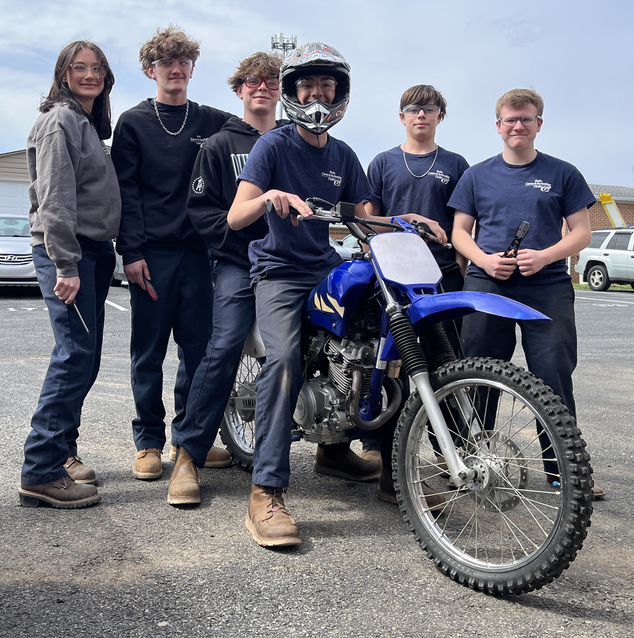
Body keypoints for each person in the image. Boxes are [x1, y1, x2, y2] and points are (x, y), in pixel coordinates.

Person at [227, 43, 440, 546]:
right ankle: (265, 492)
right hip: (279, 271)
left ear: (339, 93)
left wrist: (408, 220)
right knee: (283, 361)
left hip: (324, 264)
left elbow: (367, 216)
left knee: (387, 343)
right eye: (308, 85)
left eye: (326, 86)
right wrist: (268, 197)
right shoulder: (273, 146)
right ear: (294, 92)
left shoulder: (343, 155)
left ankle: (391, 471)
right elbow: (236, 216)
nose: (317, 94)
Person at [447, 88, 604, 500]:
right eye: (510, 119)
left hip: (547, 285)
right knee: (479, 375)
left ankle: (563, 473)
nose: (518, 126)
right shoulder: (476, 175)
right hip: (488, 284)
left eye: (526, 119)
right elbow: (458, 232)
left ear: (539, 124)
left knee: (552, 378)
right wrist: (483, 260)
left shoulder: (563, 173)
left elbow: (582, 233)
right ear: (498, 125)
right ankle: (472, 464)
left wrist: (545, 256)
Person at [112, 26, 232, 481]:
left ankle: (188, 439)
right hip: (152, 256)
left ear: (192, 68)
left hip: (201, 255)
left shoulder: (213, 122)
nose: (176, 69)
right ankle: (148, 442)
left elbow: (256, 130)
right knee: (148, 352)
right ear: (151, 71)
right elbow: (126, 191)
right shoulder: (133, 123)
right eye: (167, 63)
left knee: (198, 352)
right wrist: (132, 251)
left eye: (183, 62)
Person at [166, 51, 284, 505]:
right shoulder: (219, 145)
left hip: (290, 265)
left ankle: (332, 450)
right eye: (252, 81)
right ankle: (188, 455)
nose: (262, 87)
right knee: (225, 343)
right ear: (239, 90)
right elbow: (203, 212)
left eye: (271, 81)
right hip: (239, 264)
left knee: (325, 339)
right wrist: (237, 246)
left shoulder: (296, 141)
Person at [19, 40, 121, 509]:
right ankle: (40, 471)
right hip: (72, 253)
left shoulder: (84, 124)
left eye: (97, 68)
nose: (89, 75)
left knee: (85, 356)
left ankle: (59, 456)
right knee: (74, 356)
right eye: (79, 68)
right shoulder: (60, 121)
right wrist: (66, 264)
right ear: (63, 74)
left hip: (93, 251)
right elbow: (55, 197)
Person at [361, 85, 469, 470]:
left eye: (429, 108)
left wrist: (460, 268)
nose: (420, 114)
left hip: (441, 277)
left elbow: (462, 224)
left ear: (440, 115)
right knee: (388, 361)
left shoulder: (456, 164)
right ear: (401, 116)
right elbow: (369, 220)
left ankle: (450, 450)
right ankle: (378, 443)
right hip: (392, 277)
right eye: (412, 109)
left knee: (447, 363)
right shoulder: (383, 162)